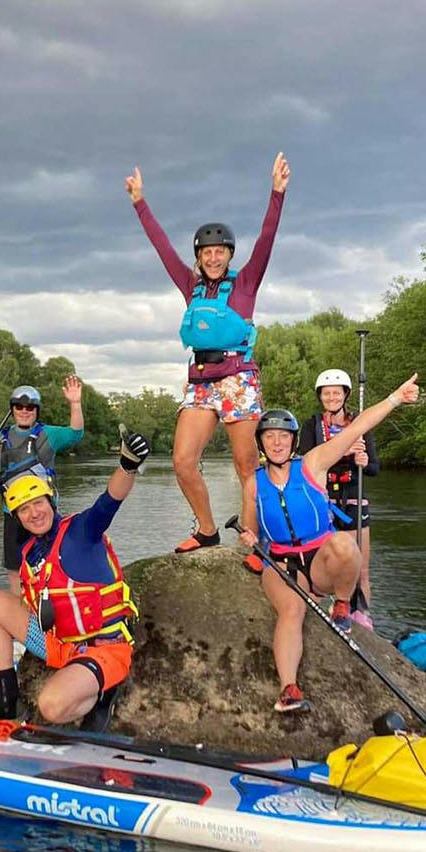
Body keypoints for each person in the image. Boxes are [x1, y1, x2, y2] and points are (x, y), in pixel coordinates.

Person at [126, 153, 289, 554]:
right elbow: (162, 248)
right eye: (206, 252)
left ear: (230, 254)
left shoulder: (246, 282)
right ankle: (207, 530)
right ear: (198, 257)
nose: (213, 258)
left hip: (238, 379)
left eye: (220, 251)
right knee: (182, 461)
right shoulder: (190, 285)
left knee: (246, 464)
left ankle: (253, 538)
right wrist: (140, 203)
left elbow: (267, 239)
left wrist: (277, 194)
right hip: (201, 380)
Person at [238, 374, 420, 712]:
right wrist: (248, 537)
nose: (276, 443)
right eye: (269, 437)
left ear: (293, 441)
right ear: (261, 443)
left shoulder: (312, 464)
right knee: (292, 610)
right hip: (282, 562)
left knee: (346, 545)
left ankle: (342, 603)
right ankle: (288, 690)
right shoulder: (253, 483)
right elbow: (250, 528)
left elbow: (357, 427)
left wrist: (395, 399)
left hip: (320, 558)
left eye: (283, 436)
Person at [0, 427, 152, 729]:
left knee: (51, 706)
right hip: (59, 644)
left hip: (103, 648)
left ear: (51, 501)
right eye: (23, 510)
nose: (34, 513)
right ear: (17, 518)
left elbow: (109, 501)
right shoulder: (29, 552)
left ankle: (104, 692)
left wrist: (128, 465)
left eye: (38, 503)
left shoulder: (82, 531)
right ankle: (6, 697)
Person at [0, 377, 85, 593]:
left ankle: (50, 603)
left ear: (36, 410)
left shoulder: (49, 434)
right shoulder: (0, 440)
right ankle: (20, 606)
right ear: (12, 410)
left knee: (49, 562)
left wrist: (75, 403)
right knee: (15, 568)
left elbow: (76, 433)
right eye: (19, 406)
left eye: (30, 407)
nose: (24, 411)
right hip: (13, 513)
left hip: (42, 511)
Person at [300, 368, 380, 629]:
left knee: (361, 569)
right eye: (327, 393)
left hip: (354, 500)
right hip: (323, 503)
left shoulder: (359, 425)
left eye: (336, 393)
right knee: (320, 565)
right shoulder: (312, 426)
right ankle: (315, 615)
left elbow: (374, 468)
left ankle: (362, 620)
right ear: (320, 396)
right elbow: (305, 462)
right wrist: (344, 451)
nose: (332, 398)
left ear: (345, 395)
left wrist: (363, 461)